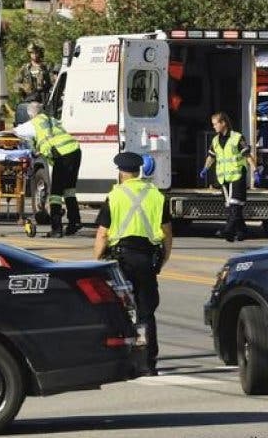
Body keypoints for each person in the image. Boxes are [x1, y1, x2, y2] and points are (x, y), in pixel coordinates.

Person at [93, 152, 172, 376]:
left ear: (121, 172)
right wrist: (163, 259)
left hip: (121, 261)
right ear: (139, 171)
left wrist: (96, 261)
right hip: (147, 259)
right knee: (146, 312)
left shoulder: (115, 196)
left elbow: (102, 234)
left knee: (121, 311)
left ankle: (123, 361)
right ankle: (148, 363)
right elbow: (167, 233)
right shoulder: (156, 195)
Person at [14, 101, 82, 237]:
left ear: (30, 114)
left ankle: (56, 229)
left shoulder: (34, 123)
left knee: (56, 193)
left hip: (62, 155)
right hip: (74, 150)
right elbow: (51, 138)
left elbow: (15, 132)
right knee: (69, 190)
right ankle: (74, 222)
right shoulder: (51, 120)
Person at [198, 111, 260, 242]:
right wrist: (205, 168)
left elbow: (247, 155)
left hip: (237, 176)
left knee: (235, 205)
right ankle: (241, 231)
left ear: (223, 123)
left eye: (215, 124)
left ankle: (228, 230)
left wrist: (255, 170)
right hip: (224, 178)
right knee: (231, 206)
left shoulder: (237, 138)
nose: (214, 127)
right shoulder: (215, 140)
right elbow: (211, 157)